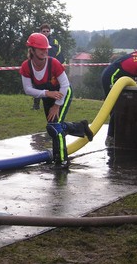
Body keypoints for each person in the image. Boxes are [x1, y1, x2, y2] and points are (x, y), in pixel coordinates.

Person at [20, 32, 93, 169]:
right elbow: (28, 89)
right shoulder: (26, 66)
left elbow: (65, 85)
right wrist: (47, 93)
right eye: (41, 48)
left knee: (54, 126)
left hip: (63, 94)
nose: (45, 51)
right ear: (32, 50)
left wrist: (57, 106)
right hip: (48, 96)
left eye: (46, 48)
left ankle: (62, 161)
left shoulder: (54, 63)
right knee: (54, 126)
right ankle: (80, 127)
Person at [32, 23, 65, 110]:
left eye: (47, 31)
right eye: (44, 31)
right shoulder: (37, 41)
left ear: (50, 32)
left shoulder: (53, 42)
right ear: (40, 32)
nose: (46, 33)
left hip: (55, 66)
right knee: (37, 84)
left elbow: (51, 54)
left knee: (53, 85)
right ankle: (36, 105)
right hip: (41, 65)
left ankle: (57, 103)